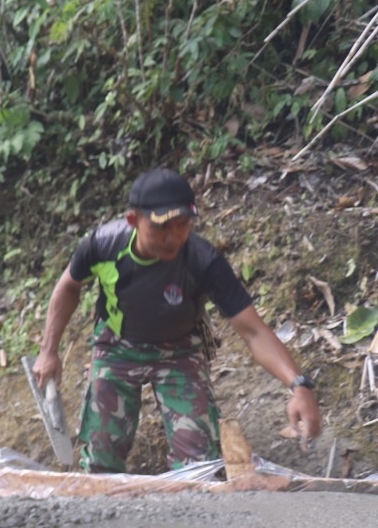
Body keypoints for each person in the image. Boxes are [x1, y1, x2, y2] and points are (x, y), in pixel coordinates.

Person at [33, 168, 321, 472]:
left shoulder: (203, 260)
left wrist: (299, 385)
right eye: (161, 227)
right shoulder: (103, 245)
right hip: (116, 345)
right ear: (133, 220)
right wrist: (49, 350)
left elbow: (254, 332)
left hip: (180, 349)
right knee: (101, 457)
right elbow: (69, 286)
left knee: (201, 466)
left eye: (183, 225)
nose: (173, 237)